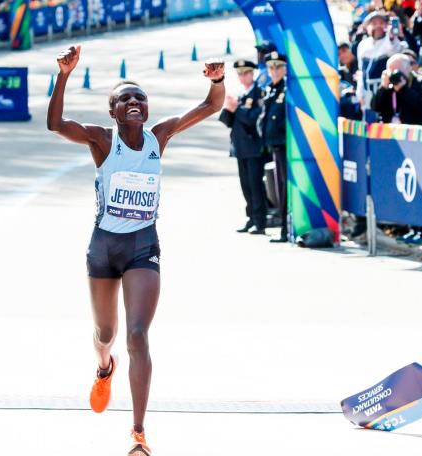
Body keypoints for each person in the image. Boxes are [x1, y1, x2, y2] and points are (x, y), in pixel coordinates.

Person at [46, 45, 225, 456]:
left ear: (146, 109)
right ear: (112, 111)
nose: (133, 102)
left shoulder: (158, 136)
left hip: (143, 247)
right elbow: (55, 123)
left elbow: (210, 106)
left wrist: (217, 80)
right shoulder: (102, 140)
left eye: (139, 97)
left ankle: (138, 433)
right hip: (103, 248)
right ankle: (103, 366)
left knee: (138, 335)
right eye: (124, 98)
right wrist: (64, 75)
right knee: (105, 334)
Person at [220, 59, 266, 235]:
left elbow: (254, 119)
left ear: (252, 74)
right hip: (240, 147)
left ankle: (260, 220)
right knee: (245, 185)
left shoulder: (258, 93)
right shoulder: (238, 94)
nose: (242, 76)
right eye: (239, 73)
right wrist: (229, 109)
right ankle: (251, 218)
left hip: (253, 147)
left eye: (245, 73)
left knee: (255, 186)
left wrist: (237, 109)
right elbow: (227, 121)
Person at [257, 52, 288, 242]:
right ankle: (284, 226)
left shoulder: (286, 90)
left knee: (284, 189)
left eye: (278, 67)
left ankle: (286, 228)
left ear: (284, 69)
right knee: (278, 188)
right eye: (271, 67)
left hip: (284, 146)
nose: (274, 71)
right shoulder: (270, 89)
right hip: (273, 146)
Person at [372, 53, 422, 126]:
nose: (393, 75)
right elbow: (375, 107)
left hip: (417, 131)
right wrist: (383, 88)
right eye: (390, 71)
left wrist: (403, 89)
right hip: (393, 133)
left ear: (408, 69)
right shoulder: (388, 86)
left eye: (396, 71)